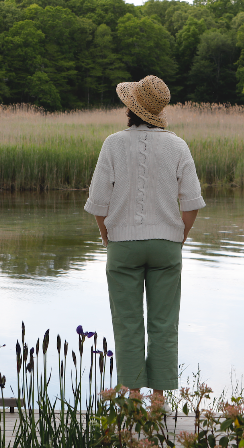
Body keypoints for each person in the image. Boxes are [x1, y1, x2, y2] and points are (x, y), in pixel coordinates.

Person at [84, 75, 205, 402]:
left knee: (127, 322)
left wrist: (107, 238)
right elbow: (192, 204)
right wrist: (177, 238)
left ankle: (133, 391)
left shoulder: (113, 143)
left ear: (130, 108)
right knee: (165, 323)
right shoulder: (178, 145)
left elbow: (98, 202)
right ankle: (160, 398)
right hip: (166, 245)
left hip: (123, 244)